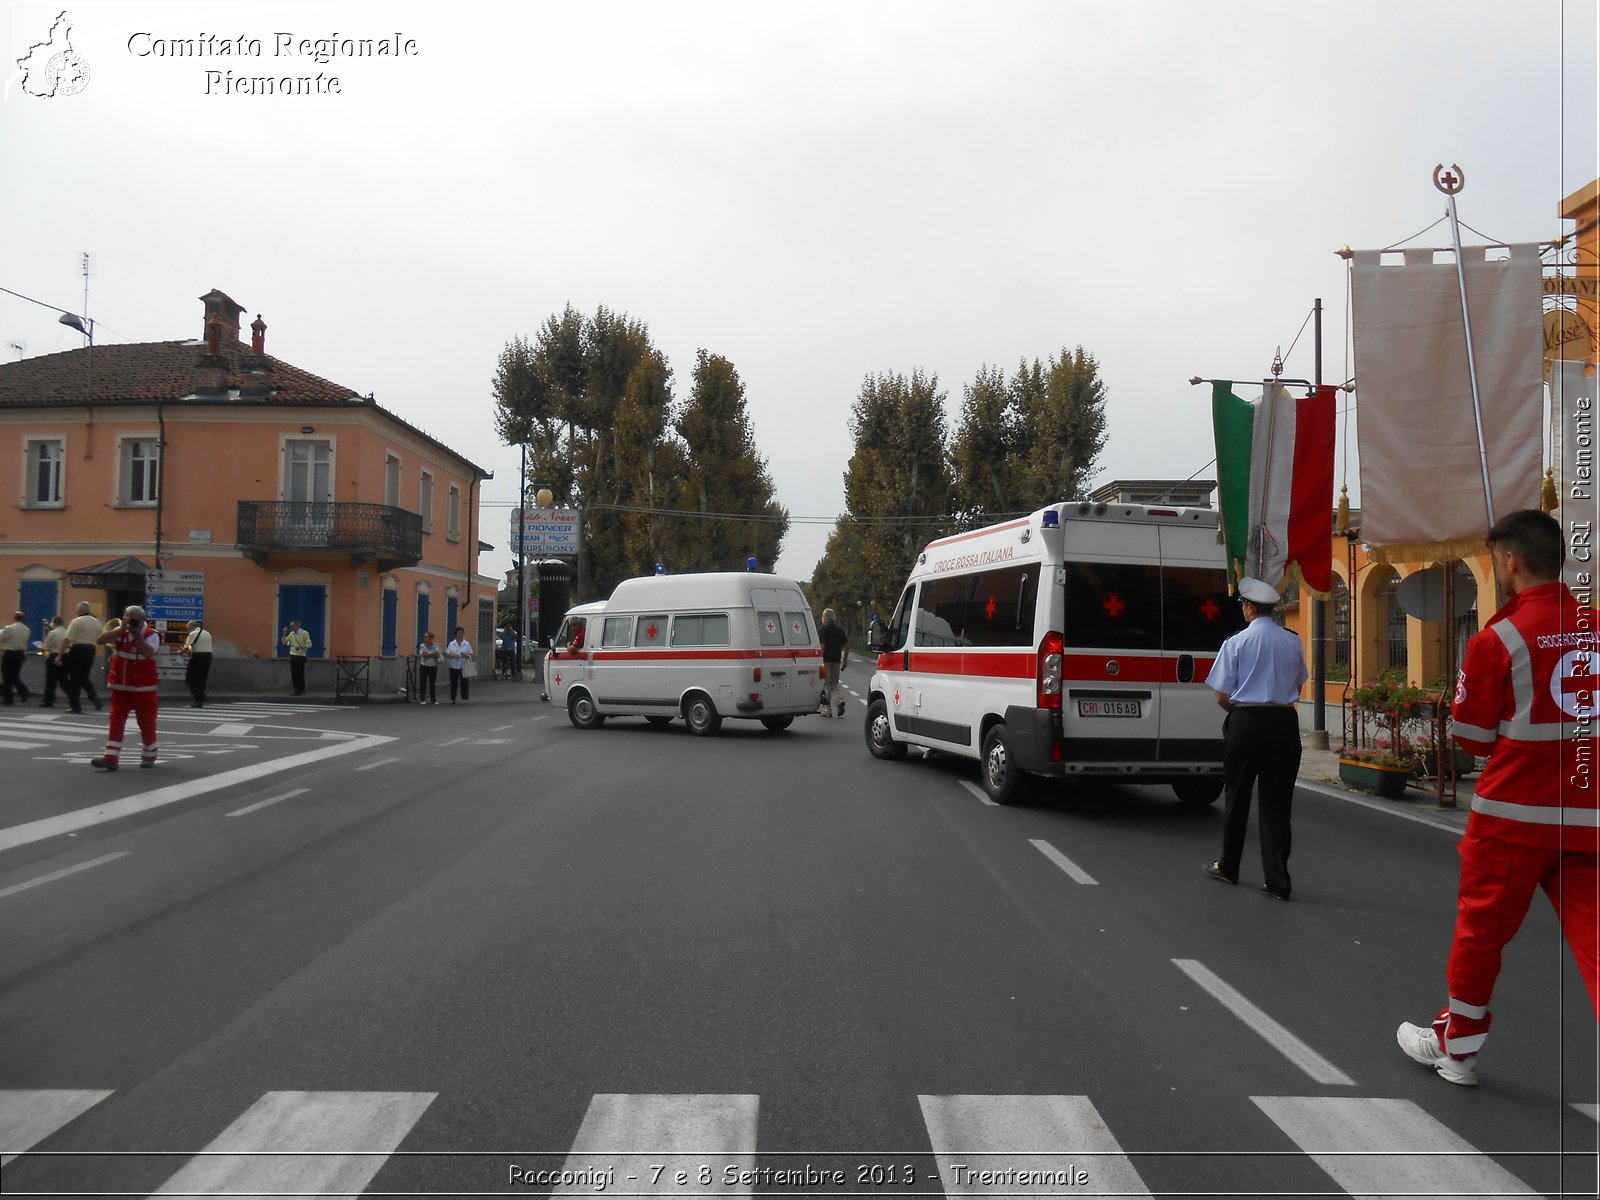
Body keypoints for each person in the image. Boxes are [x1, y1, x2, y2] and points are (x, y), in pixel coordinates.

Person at [1397, 509, 1599, 1087]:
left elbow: (1472, 737)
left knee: (1481, 935)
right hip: (1590, 819)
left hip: (1511, 820)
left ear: (1509, 560)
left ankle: (1457, 1051)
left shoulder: (1498, 639)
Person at [1201, 576, 1308, 900]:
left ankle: (1229, 866)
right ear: (1273, 609)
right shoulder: (1292, 640)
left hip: (1246, 722)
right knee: (1277, 805)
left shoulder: (1236, 642)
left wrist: (1242, 714)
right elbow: (1299, 685)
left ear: (1248, 608)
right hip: (1284, 724)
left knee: (1237, 798)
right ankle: (1278, 881)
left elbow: (1221, 696)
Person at [90, 605, 160, 771]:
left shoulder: (152, 635)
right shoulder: (119, 631)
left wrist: (136, 635)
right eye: (127, 617)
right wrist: (119, 630)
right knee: (116, 719)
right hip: (120, 685)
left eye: (133, 619)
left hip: (144, 687)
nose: (130, 621)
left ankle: (150, 754)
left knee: (145, 721)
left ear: (142, 620)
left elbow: (149, 653)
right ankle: (111, 757)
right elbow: (100, 640)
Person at [61, 601, 103, 714]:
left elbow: (67, 639)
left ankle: (75, 706)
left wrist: (59, 655)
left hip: (78, 649)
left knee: (75, 679)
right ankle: (94, 697)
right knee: (83, 677)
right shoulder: (97, 622)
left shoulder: (76, 621)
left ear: (79, 610)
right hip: (91, 650)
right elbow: (101, 637)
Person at [818, 607, 850, 718]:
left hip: (826, 660)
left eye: (822, 616)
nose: (822, 618)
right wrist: (845, 659)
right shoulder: (840, 629)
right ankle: (840, 700)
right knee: (835, 683)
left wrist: (819, 660)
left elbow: (823, 646)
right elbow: (847, 645)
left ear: (826, 617)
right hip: (836, 660)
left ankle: (827, 710)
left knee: (826, 684)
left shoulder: (824, 629)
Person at [0, 611, 32, 705]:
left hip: (10, 653)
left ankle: (9, 699)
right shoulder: (27, 629)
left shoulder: (9, 628)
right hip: (20, 654)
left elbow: (1, 638)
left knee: (7, 677)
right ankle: (23, 692)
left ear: (14, 618)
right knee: (14, 675)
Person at [182, 619, 214, 708]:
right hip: (208, 656)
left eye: (188, 629)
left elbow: (186, 648)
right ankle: (199, 701)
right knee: (201, 679)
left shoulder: (192, 634)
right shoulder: (207, 634)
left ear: (192, 627)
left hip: (198, 656)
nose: (188, 631)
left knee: (190, 679)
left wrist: (178, 651)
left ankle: (201, 696)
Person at [39, 615, 67, 708]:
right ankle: (73, 698)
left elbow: (46, 648)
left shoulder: (52, 633)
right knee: (64, 681)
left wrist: (41, 648)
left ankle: (48, 701)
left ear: (54, 623)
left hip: (54, 656)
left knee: (51, 681)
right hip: (66, 657)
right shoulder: (67, 632)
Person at [281, 619, 312, 695]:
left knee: (299, 674)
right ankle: (296, 689)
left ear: (297, 626)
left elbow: (309, 644)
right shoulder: (292, 634)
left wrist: (302, 647)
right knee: (293, 674)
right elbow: (284, 642)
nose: (291, 628)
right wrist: (284, 634)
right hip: (293, 655)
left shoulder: (304, 633)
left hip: (301, 656)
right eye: (291, 626)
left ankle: (301, 689)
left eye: (292, 626)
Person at [446, 626, 475, 703]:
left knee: (464, 682)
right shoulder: (452, 644)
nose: (461, 635)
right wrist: (452, 656)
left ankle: (464, 698)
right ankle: (453, 698)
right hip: (453, 666)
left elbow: (471, 654)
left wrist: (466, 655)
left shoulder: (466, 644)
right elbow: (447, 654)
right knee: (453, 683)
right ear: (456, 634)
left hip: (464, 666)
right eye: (459, 633)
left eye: (462, 633)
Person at [417, 630, 443, 704]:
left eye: (426, 637)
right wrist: (432, 654)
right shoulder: (422, 645)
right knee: (423, 683)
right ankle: (422, 699)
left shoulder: (435, 645)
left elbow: (437, 655)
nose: (425, 638)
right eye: (424, 637)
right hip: (424, 666)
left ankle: (433, 699)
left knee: (432, 683)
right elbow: (423, 655)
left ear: (431, 638)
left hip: (433, 666)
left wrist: (428, 655)